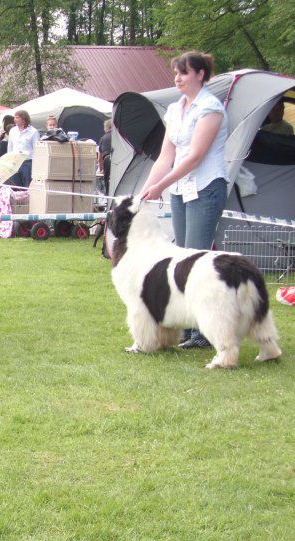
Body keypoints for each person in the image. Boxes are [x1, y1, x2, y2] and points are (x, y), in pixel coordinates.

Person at [139, 51, 229, 350]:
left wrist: (161, 185)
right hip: (180, 190)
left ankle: (206, 331)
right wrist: (147, 188)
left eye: (184, 72)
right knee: (181, 259)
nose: (177, 78)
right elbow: (167, 156)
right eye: (176, 73)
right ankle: (191, 328)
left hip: (206, 187)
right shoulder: (175, 110)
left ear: (201, 74)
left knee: (197, 260)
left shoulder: (211, 108)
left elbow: (195, 157)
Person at [7, 109, 40, 187]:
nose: (14, 119)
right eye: (14, 117)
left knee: (27, 186)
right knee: (15, 186)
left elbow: (37, 149)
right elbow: (10, 147)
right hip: (15, 162)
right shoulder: (12, 131)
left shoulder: (33, 132)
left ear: (24, 119)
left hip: (28, 163)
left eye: (17, 117)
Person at [98, 119, 112, 194]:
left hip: (107, 160)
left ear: (106, 128)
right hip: (117, 160)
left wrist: (101, 170)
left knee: (107, 182)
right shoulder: (118, 137)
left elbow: (100, 158)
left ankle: (108, 198)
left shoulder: (103, 138)